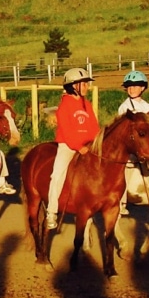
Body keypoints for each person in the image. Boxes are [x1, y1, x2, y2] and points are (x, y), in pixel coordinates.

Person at [46, 68, 101, 230]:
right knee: (57, 175)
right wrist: (79, 147)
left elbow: (94, 128)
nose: (86, 87)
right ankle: (51, 212)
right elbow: (67, 132)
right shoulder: (65, 105)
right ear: (72, 86)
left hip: (88, 146)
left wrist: (96, 144)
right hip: (68, 146)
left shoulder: (87, 104)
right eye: (83, 84)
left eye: (86, 84)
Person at [116, 70, 149, 215]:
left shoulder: (146, 106)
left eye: (135, 86)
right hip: (131, 145)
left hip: (146, 142)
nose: (132, 89)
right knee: (125, 168)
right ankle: (121, 201)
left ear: (142, 88)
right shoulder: (124, 107)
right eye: (129, 86)